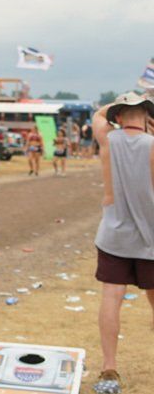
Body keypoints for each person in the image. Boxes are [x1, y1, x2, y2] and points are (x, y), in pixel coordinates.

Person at [90, 93, 154, 394]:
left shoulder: (109, 140)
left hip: (114, 233)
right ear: (145, 114)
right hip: (151, 235)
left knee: (111, 298)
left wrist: (113, 106)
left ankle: (109, 367)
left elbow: (98, 117)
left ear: (119, 115)